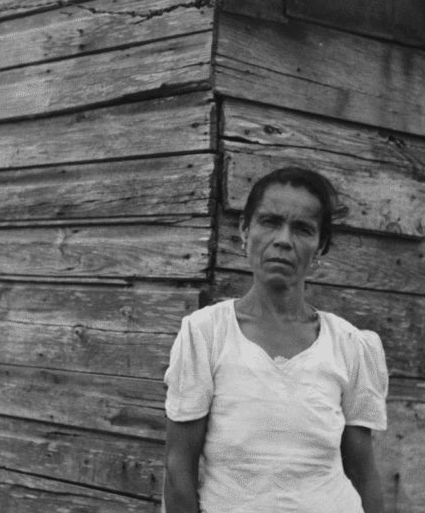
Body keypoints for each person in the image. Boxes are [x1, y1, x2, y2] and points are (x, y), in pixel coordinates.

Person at [162, 167, 388, 513]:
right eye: (269, 222)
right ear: (244, 230)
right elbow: (179, 470)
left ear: (321, 246)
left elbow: (363, 471)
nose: (283, 240)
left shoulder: (348, 345)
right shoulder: (206, 335)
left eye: (302, 229)